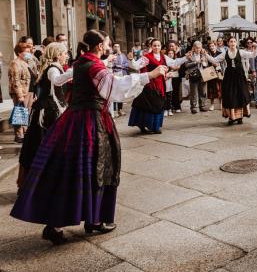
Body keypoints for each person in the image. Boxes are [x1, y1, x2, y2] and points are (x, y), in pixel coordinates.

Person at [11, 30, 167, 245]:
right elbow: (115, 87)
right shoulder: (94, 66)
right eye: (108, 43)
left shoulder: (81, 63)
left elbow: (63, 81)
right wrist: (150, 75)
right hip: (91, 123)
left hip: (73, 120)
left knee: (75, 170)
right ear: (100, 46)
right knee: (97, 168)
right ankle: (87, 221)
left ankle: (78, 221)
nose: (110, 45)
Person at [17, 43, 73, 187]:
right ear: (57, 54)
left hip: (52, 110)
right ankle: (42, 184)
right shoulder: (53, 68)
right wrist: (76, 71)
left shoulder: (56, 67)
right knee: (44, 146)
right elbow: (56, 81)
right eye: (64, 53)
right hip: (48, 114)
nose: (66, 56)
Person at [129, 39, 186, 133]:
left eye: (158, 45)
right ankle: (147, 125)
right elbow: (135, 66)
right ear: (151, 46)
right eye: (154, 45)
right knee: (148, 105)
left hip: (160, 85)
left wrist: (186, 58)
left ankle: (156, 126)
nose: (156, 47)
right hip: (149, 84)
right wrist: (131, 60)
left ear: (161, 46)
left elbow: (175, 63)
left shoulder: (164, 57)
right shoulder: (146, 57)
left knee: (159, 104)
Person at [207, 37, 257, 125]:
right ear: (228, 43)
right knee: (230, 96)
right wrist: (205, 55)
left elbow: (252, 55)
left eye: (234, 41)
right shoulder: (224, 53)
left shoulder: (240, 52)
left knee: (241, 95)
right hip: (229, 77)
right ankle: (232, 117)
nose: (233, 43)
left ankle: (240, 117)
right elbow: (214, 60)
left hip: (239, 76)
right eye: (231, 41)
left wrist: (255, 48)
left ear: (236, 43)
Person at [8, 42, 33, 143]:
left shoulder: (25, 62)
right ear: (19, 53)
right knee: (19, 112)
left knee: (25, 112)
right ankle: (19, 134)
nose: (29, 53)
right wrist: (19, 95)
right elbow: (15, 80)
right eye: (26, 52)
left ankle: (24, 132)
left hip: (28, 91)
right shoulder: (15, 63)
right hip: (21, 92)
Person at [185, 41, 208, 114]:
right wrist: (196, 62)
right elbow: (186, 65)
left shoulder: (204, 55)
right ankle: (194, 107)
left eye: (200, 48)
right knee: (194, 92)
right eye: (197, 48)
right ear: (193, 48)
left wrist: (204, 62)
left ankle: (202, 105)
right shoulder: (190, 55)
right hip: (193, 75)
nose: (198, 49)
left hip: (203, 75)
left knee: (203, 91)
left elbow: (207, 64)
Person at [111, 43, 129, 117]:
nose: (116, 48)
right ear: (113, 47)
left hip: (122, 74)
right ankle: (114, 111)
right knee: (115, 92)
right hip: (115, 74)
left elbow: (126, 64)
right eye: (115, 46)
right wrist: (120, 66)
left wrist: (120, 66)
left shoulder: (123, 55)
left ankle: (120, 110)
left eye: (118, 46)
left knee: (121, 92)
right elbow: (113, 65)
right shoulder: (112, 55)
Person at [207, 41, 223, 111]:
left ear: (215, 46)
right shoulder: (208, 54)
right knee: (211, 89)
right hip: (211, 73)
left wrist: (218, 65)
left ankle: (221, 104)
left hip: (219, 72)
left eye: (213, 46)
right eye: (210, 46)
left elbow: (223, 63)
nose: (211, 47)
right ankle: (212, 105)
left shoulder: (220, 54)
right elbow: (206, 64)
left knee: (220, 88)